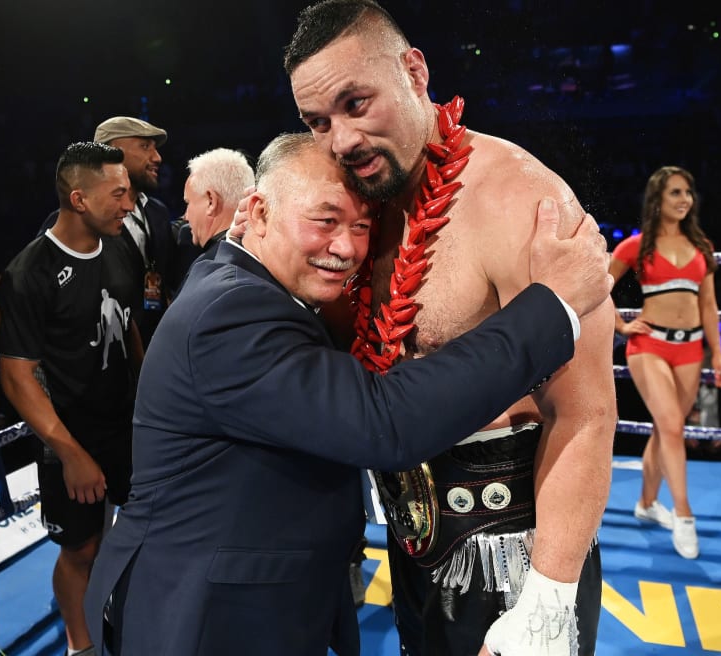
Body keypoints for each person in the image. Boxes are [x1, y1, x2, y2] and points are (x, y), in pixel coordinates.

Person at [83, 132, 613, 655]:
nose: (346, 247)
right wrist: (551, 306)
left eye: (362, 226)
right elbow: (388, 422)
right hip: (203, 618)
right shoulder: (231, 316)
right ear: (260, 213)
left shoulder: (241, 275)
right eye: (325, 220)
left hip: (259, 595)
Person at [284, 3, 615, 654]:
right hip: (413, 539)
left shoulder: (518, 202)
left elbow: (586, 415)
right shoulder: (363, 206)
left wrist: (548, 596)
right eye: (317, 122)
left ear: (414, 72)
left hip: (511, 546)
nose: (341, 139)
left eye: (357, 103)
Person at [0, 142, 143, 656]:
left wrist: (151, 407)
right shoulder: (28, 273)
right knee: (80, 549)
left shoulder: (122, 245)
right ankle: (81, 649)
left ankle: (129, 624)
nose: (130, 204)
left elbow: (131, 331)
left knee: (141, 534)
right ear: (79, 199)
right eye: (119, 193)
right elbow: (17, 376)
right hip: (71, 435)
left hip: (127, 425)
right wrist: (69, 451)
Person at [609, 166, 721, 559]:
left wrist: (719, 352)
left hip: (691, 349)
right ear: (657, 200)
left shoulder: (701, 246)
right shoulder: (636, 247)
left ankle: (645, 504)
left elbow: (708, 306)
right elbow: (596, 284)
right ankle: (684, 514)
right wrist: (620, 325)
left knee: (666, 429)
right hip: (650, 345)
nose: (684, 200)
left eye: (688, 193)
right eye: (676, 193)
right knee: (674, 426)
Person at [38, 116, 194, 344]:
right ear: (112, 151)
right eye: (145, 146)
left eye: (156, 148)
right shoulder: (74, 221)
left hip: (156, 344)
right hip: (99, 352)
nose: (157, 157)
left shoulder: (156, 212)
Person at [182, 147, 254, 259]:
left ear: (211, 201)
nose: (186, 217)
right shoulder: (266, 256)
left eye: (188, 203)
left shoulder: (212, 267)